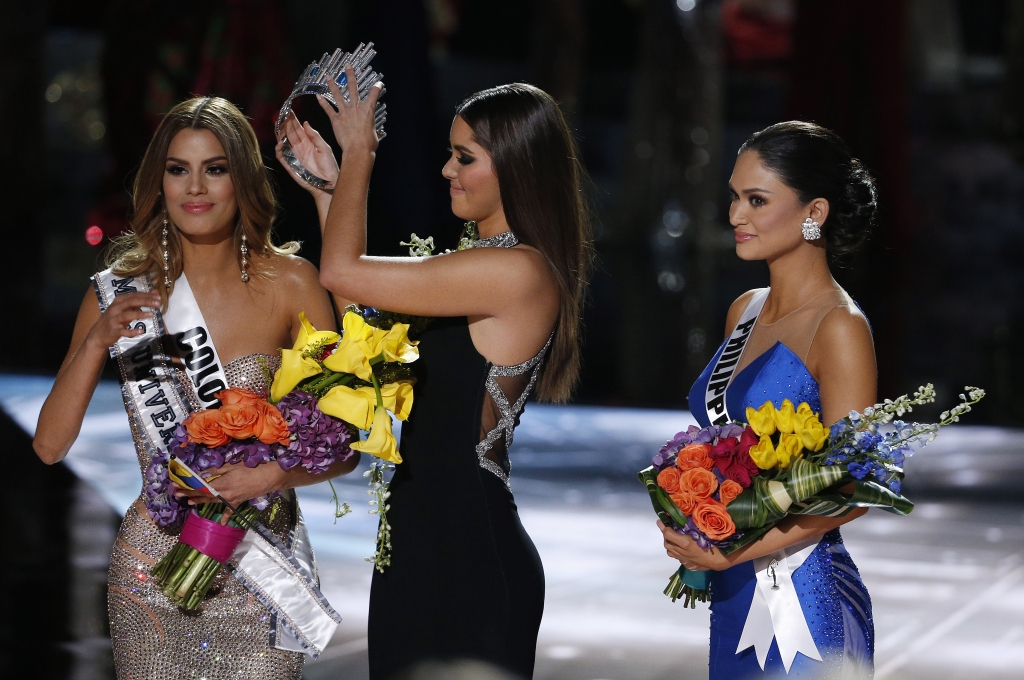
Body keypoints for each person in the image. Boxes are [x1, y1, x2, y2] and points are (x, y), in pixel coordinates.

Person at [277, 73, 592, 678]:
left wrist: (360, 155)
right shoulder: (477, 266)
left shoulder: (516, 271)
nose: (447, 169)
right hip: (417, 546)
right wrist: (330, 194)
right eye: (451, 153)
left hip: (469, 555)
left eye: (464, 157)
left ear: (517, 167)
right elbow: (366, 340)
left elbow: (342, 273)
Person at [32, 96, 359, 678]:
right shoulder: (119, 292)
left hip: (261, 571)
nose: (195, 188)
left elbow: (344, 439)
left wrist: (271, 474)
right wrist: (94, 344)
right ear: (159, 182)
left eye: (215, 168)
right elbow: (50, 446)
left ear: (242, 180)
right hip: (152, 574)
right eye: (178, 169)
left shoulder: (292, 283)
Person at [661, 121, 878, 678]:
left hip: (803, 599)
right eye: (734, 197)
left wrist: (733, 548)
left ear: (816, 212)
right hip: (734, 587)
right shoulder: (746, 308)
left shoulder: (840, 327)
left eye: (756, 200)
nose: (736, 216)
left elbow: (854, 486)